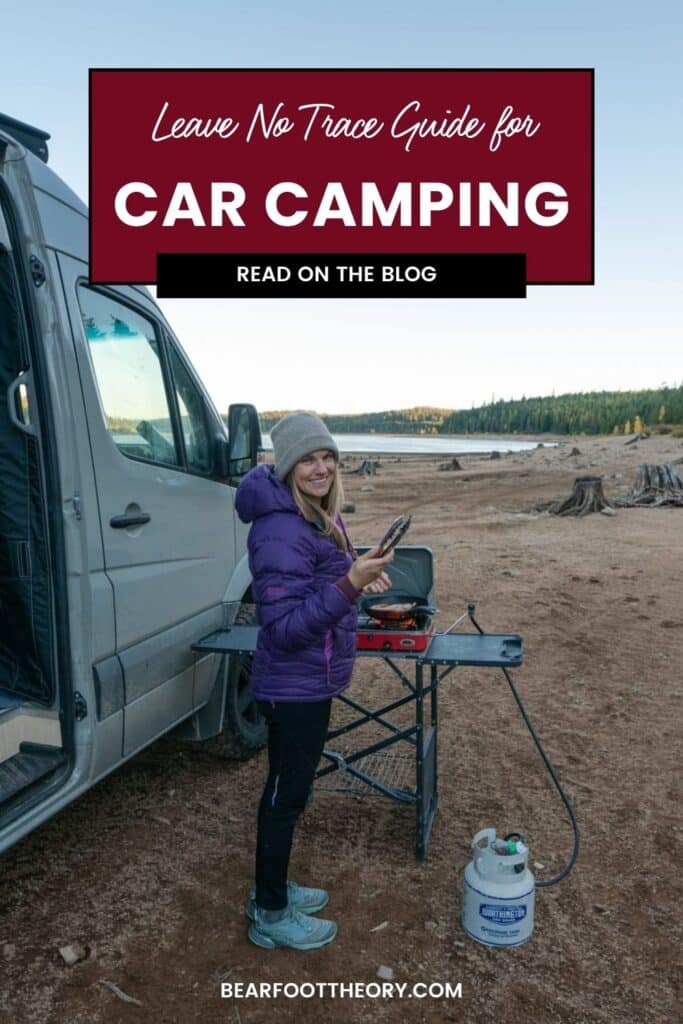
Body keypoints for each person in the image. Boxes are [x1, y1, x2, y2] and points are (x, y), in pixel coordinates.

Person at [235, 412, 393, 951]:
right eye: (308, 459)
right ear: (286, 468)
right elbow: (281, 628)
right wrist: (351, 582)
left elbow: (315, 585)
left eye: (327, 457)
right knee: (284, 796)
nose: (321, 467)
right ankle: (271, 912)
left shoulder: (312, 517)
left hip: (309, 682)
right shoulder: (279, 528)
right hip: (292, 685)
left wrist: (358, 568)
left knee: (291, 791)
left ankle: (272, 891)